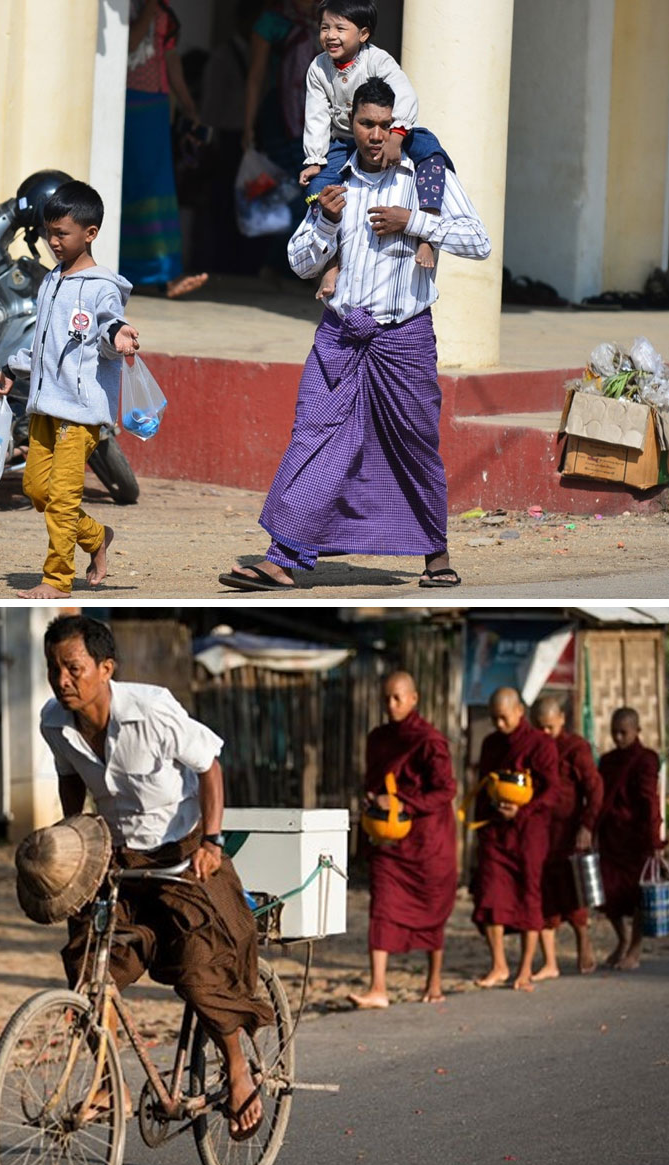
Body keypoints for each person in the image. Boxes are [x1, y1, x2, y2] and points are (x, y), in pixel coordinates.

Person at [219, 77, 490, 593]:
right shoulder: (332, 182)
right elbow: (299, 263)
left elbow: (479, 242)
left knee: (414, 444)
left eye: (387, 126)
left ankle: (436, 556)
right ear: (353, 125)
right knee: (312, 441)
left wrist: (416, 222)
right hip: (339, 337)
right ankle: (282, 559)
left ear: (401, 129)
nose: (377, 135)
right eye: (367, 124)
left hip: (405, 337)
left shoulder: (425, 178)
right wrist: (323, 220)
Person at [36, 614, 274, 1140]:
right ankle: (107, 1079)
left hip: (186, 854)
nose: (62, 680)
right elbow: (70, 780)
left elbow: (210, 763)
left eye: (73, 669)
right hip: (119, 861)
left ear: (105, 668)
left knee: (199, 966)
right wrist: (75, 840)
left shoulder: (152, 710)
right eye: (54, 670)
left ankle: (236, 1067)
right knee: (89, 963)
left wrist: (212, 842)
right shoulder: (53, 721)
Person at [0, 181, 134, 600]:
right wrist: (12, 369)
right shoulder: (51, 280)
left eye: (62, 233)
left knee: (62, 498)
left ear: (90, 234)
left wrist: (120, 335)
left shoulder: (101, 286)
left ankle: (56, 580)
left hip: (81, 411)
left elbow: (108, 324)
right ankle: (96, 537)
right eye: (49, 232)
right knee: (37, 489)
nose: (53, 241)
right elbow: (43, 341)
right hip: (44, 404)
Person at [296, 0, 452, 291]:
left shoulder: (378, 61)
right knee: (318, 187)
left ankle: (427, 238)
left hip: (392, 130)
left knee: (432, 154)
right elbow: (316, 114)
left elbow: (406, 95)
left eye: (340, 28)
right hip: (344, 140)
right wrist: (315, 158)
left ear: (364, 34)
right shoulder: (318, 67)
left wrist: (396, 136)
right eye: (325, 27)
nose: (331, 35)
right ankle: (331, 265)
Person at [347, 670, 457, 1008]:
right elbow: (375, 782)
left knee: (431, 908)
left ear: (413, 699)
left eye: (397, 698)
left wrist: (404, 803)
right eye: (386, 698)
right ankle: (378, 986)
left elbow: (446, 789)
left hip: (426, 838)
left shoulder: (428, 740)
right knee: (381, 906)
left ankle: (434, 980)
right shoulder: (378, 738)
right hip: (389, 839)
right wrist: (372, 799)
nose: (391, 704)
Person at [468, 687, 558, 991]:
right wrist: (483, 820)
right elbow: (483, 784)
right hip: (496, 831)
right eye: (494, 719)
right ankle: (499, 964)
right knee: (490, 894)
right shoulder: (491, 743)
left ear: (520, 711)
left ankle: (524, 968)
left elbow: (551, 790)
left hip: (529, 831)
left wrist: (522, 809)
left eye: (504, 718)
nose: (499, 725)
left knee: (528, 897)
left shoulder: (541, 745)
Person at [123, 0, 208, 297]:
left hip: (156, 105)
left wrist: (187, 104)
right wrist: (148, 11)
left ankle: (166, 272)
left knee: (157, 187)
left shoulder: (162, 7)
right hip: (129, 101)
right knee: (134, 187)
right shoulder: (130, 6)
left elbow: (170, 58)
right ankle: (125, 270)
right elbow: (130, 45)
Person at [532, 695, 602, 977]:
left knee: (574, 892)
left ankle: (584, 943)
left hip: (569, 831)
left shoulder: (576, 748)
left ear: (562, 718)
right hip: (541, 831)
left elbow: (595, 789)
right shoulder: (534, 748)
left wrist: (587, 825)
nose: (545, 733)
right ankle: (550, 962)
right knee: (543, 893)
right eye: (540, 727)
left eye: (550, 727)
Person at [594, 707, 662, 972]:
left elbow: (650, 801)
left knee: (638, 897)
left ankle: (635, 947)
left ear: (637, 731)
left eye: (624, 732)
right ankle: (621, 940)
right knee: (608, 893)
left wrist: (655, 841)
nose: (618, 738)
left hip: (637, 838)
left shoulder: (646, 759)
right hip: (612, 836)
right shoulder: (608, 761)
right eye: (614, 733)